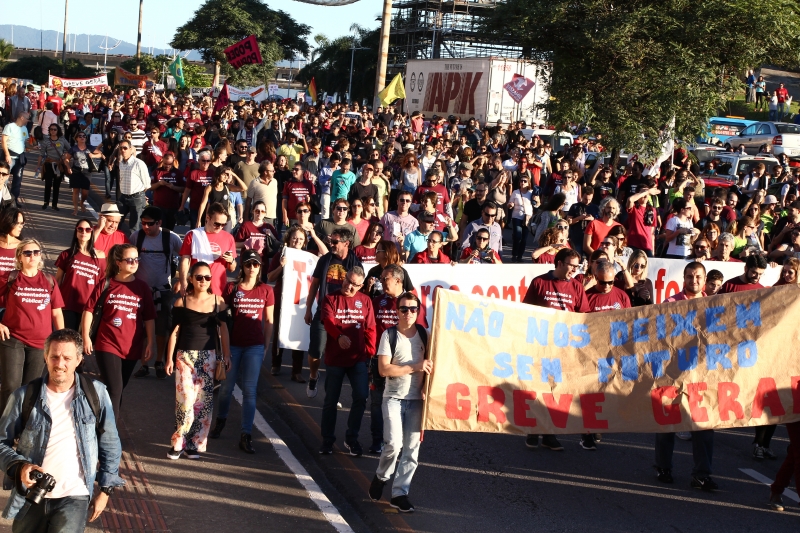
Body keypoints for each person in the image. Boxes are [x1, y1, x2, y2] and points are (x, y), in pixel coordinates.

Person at [0, 328, 124, 531]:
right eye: (54, 357)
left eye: (67, 358)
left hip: (75, 496)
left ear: (79, 360)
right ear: (45, 357)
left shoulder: (96, 393)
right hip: (31, 495)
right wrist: (20, 467)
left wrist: (105, 490)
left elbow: (110, 443)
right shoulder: (23, 396)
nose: (60, 364)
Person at [655, 262, 718, 491]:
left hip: (702, 376)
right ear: (684, 278)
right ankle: (663, 468)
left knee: (703, 426)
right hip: (673, 374)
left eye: (698, 276)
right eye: (690, 276)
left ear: (704, 279)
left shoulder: (714, 306)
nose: (694, 280)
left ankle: (701, 475)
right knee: (667, 424)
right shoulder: (670, 304)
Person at [368, 291, 431, 513]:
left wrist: (426, 388)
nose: (408, 313)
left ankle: (399, 494)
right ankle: (381, 476)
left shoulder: (424, 334)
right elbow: (384, 369)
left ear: (418, 311)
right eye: (404, 309)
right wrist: (415, 367)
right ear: (397, 311)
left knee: (412, 450)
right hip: (393, 398)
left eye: (413, 309)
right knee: (393, 444)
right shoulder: (389, 335)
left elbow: (434, 364)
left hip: (416, 401)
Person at [522, 248, 589, 451]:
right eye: (571, 265)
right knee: (539, 388)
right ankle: (533, 430)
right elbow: (525, 312)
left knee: (556, 390)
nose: (575, 270)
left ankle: (549, 434)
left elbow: (584, 317)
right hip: (541, 346)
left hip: (564, 348)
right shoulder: (539, 282)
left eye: (577, 266)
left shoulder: (577, 287)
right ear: (559, 263)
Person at [81, 244, 155, 421]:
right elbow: (89, 310)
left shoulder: (142, 287)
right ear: (118, 262)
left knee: (117, 389)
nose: (134, 263)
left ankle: (99, 421)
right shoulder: (106, 283)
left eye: (137, 259)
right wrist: (85, 337)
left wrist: (150, 342)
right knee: (115, 389)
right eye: (129, 260)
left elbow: (149, 318)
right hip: (107, 343)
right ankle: (109, 431)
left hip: (132, 347)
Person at [165, 262, 230, 460]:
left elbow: (224, 330)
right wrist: (169, 358)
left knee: (202, 403)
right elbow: (174, 332)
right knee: (185, 401)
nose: (203, 281)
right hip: (184, 356)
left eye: (207, 277)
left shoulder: (218, 302)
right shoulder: (181, 303)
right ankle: (178, 443)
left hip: (208, 357)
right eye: (199, 277)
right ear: (191, 279)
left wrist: (227, 355)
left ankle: (194, 444)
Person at [213, 250, 274, 453]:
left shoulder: (266, 290)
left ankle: (246, 434)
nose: (252, 268)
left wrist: (266, 346)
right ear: (242, 266)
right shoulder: (232, 288)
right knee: (226, 388)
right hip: (233, 345)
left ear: (260, 267)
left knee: (250, 391)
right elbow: (222, 319)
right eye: (248, 264)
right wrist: (224, 348)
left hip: (254, 346)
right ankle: (220, 421)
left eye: (255, 264)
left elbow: (269, 321)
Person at [0, 239, 65, 409]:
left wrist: (63, 339)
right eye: (27, 253)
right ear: (19, 257)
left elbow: (56, 312)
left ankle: (24, 423)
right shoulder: (10, 277)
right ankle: (6, 423)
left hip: (40, 343)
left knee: (31, 389)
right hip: (13, 338)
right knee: (11, 386)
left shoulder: (49, 280)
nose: (33, 256)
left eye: (36, 252)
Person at [319, 266, 376, 456]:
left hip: (358, 359)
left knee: (361, 396)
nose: (349, 287)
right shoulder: (330, 298)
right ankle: (327, 440)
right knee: (331, 401)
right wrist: (339, 336)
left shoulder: (365, 301)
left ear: (361, 286)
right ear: (343, 278)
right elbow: (328, 322)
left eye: (355, 285)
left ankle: (352, 439)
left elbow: (370, 329)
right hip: (335, 360)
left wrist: (370, 353)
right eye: (348, 281)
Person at [304, 228, 363, 398]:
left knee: (337, 358)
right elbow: (314, 285)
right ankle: (313, 376)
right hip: (324, 311)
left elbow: (359, 290)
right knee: (316, 351)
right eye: (331, 241)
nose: (332, 245)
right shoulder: (324, 260)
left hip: (344, 315)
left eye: (335, 242)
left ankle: (332, 393)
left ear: (346, 243)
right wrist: (308, 309)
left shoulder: (355, 263)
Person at [129, 207, 183, 380]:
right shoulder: (136, 237)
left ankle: (159, 361)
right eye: (143, 223)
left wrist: (182, 280)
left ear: (159, 223)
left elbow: (186, 256)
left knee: (162, 328)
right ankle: (144, 364)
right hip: (141, 291)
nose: (146, 227)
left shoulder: (171, 238)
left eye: (150, 224)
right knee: (141, 329)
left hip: (163, 290)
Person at [267, 226, 311, 384]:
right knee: (279, 331)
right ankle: (276, 364)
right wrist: (281, 266)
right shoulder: (280, 255)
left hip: (300, 300)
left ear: (305, 242)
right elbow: (270, 277)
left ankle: (296, 371)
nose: (297, 241)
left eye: (301, 239)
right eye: (294, 238)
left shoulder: (308, 258)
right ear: (288, 239)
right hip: (281, 299)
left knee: (299, 333)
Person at [55, 219, 106, 331]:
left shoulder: (100, 256)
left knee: (84, 340)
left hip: (88, 308)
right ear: (76, 231)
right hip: (68, 304)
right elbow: (58, 280)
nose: (84, 232)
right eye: (80, 229)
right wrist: (54, 304)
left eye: (88, 230)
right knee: (68, 338)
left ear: (92, 232)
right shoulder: (66, 254)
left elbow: (103, 285)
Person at [178, 202, 238, 296]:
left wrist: (231, 260)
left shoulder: (229, 238)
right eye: (217, 224)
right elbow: (185, 261)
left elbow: (232, 269)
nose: (220, 227)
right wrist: (183, 282)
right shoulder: (193, 235)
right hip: (196, 291)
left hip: (219, 291)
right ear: (207, 218)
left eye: (223, 225)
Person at [116, 139, 150, 233]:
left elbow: (147, 183)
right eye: (121, 148)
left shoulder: (139, 163)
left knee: (134, 226)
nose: (123, 150)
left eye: (125, 148)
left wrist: (141, 195)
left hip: (136, 198)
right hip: (123, 197)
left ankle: (134, 242)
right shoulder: (121, 163)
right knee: (116, 221)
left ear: (131, 149)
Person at [66, 132, 102, 216]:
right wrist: (68, 167)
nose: (82, 137)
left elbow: (100, 154)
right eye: (80, 136)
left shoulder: (89, 147)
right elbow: (66, 159)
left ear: (86, 138)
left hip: (86, 171)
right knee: (76, 190)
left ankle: (82, 202)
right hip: (76, 170)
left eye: (84, 136)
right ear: (76, 138)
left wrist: (93, 156)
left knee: (85, 192)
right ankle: (75, 209)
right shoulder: (73, 148)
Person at [35, 123, 69, 211]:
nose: (53, 131)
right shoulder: (46, 141)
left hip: (59, 165)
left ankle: (54, 204)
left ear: (58, 131)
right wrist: (38, 166)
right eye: (51, 129)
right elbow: (41, 154)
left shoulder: (62, 140)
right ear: (49, 131)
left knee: (56, 185)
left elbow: (69, 150)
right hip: (49, 164)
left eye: (55, 129)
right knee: (48, 184)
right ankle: (46, 202)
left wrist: (64, 156)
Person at [149, 151, 185, 231]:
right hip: (159, 206)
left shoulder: (178, 173)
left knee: (170, 229)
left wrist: (173, 187)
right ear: (162, 161)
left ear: (173, 162)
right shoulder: (157, 172)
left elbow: (184, 189)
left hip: (173, 206)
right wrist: (159, 183)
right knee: (161, 229)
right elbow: (150, 187)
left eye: (170, 164)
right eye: (165, 164)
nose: (167, 166)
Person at [1, 111, 29, 203]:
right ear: (22, 117)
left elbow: (25, 142)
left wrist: (33, 146)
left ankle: (13, 201)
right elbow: (3, 141)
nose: (28, 121)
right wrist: (7, 155)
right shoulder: (10, 127)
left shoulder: (24, 129)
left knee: (17, 181)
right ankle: (3, 200)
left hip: (19, 158)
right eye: (27, 119)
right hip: (10, 157)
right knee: (4, 179)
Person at [508, 173, 535, 262]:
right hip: (517, 216)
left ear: (528, 183)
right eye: (521, 181)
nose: (523, 182)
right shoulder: (515, 192)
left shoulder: (531, 193)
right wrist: (510, 205)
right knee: (518, 236)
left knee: (524, 239)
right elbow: (509, 204)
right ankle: (514, 255)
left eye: (525, 181)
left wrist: (537, 199)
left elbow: (537, 205)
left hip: (527, 218)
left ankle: (520, 256)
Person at [282, 162, 315, 227]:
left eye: (296, 170)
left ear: (302, 171)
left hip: (305, 217)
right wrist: (285, 216)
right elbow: (284, 201)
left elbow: (314, 203)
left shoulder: (309, 184)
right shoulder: (288, 184)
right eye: (293, 169)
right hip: (292, 217)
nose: (294, 171)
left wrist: (310, 199)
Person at [0, 207, 24, 275]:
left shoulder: (22, 247)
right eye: (18, 223)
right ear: (8, 222)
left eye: (22, 223)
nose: (21, 226)